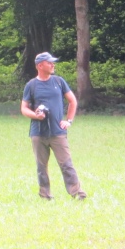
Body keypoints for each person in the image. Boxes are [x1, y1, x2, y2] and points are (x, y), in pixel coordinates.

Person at [20, 52, 87, 200]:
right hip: (38, 133)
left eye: (53, 62)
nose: (53, 65)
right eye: (49, 62)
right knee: (41, 166)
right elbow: (24, 108)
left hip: (58, 132)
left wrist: (68, 121)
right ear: (40, 65)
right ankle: (45, 195)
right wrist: (35, 115)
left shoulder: (59, 82)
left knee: (66, 164)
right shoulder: (31, 85)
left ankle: (77, 193)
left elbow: (73, 101)